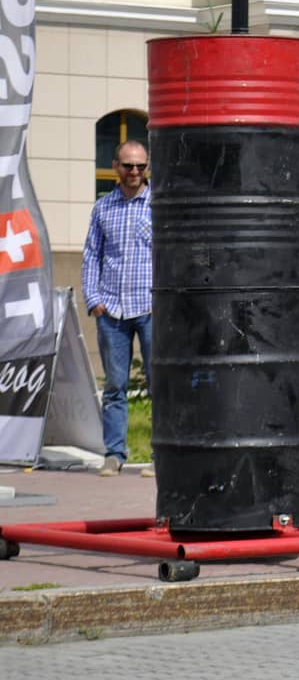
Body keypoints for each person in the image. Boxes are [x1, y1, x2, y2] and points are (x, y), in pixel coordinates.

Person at [83, 140, 153, 477]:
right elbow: (91, 255)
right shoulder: (103, 208)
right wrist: (93, 300)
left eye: (140, 165)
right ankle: (114, 454)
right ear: (116, 167)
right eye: (128, 165)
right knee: (114, 387)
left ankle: (161, 456)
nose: (135, 172)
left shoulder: (159, 205)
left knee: (161, 385)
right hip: (111, 310)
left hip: (152, 308)